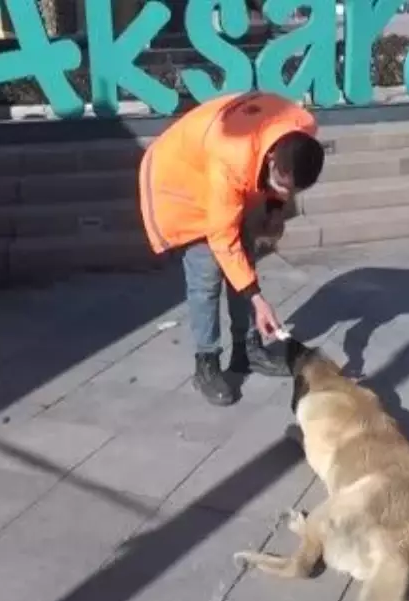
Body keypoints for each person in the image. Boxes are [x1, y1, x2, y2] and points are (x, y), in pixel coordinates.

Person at [137, 91, 326, 406]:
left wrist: (275, 208)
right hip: (180, 181)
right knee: (207, 273)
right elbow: (223, 239)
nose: (284, 192)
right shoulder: (233, 158)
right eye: (280, 185)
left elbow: (280, 184)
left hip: (219, 167)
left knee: (245, 257)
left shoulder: (300, 127)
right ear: (270, 159)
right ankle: (206, 363)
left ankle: (247, 351)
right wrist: (257, 298)